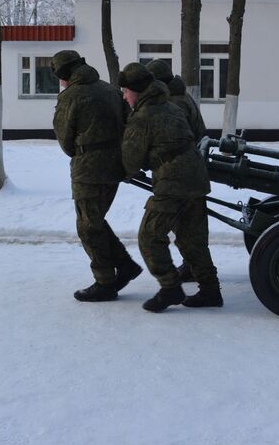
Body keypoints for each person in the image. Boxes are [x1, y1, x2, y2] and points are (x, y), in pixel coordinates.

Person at [118, 62, 222, 312]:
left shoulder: (142, 117)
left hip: (172, 181)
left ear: (137, 90)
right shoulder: (172, 105)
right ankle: (210, 290)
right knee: (192, 239)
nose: (123, 96)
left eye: (125, 91)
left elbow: (130, 162)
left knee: (150, 236)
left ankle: (170, 287)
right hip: (195, 176)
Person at [51, 50, 143, 302]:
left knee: (88, 226)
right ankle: (125, 265)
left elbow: (65, 139)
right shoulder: (110, 90)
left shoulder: (70, 96)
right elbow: (129, 123)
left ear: (64, 74)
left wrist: (82, 152)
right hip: (114, 166)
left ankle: (105, 281)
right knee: (95, 220)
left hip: (88, 169)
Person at [146, 59, 206, 283]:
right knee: (187, 226)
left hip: (181, 170)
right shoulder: (180, 96)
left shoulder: (173, 103)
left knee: (184, 226)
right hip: (190, 165)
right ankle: (192, 266)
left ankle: (192, 268)